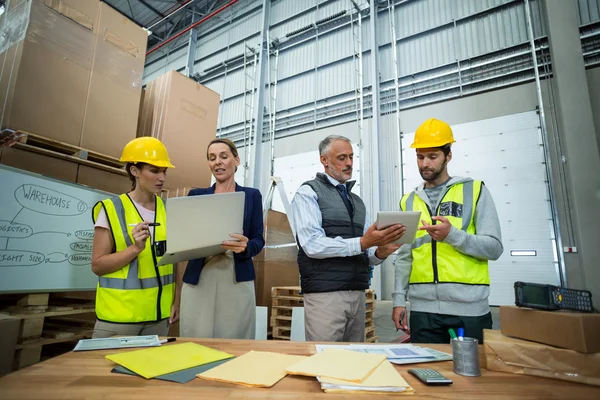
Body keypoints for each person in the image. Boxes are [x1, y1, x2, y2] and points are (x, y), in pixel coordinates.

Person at [391, 118, 504, 344]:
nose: (425, 163)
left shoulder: (474, 190)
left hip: (469, 311)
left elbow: (494, 248)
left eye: (432, 157)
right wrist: (398, 301)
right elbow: (405, 256)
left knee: (471, 376)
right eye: (420, 157)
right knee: (425, 373)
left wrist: (452, 236)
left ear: (448, 156)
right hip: (423, 312)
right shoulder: (408, 201)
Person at [291, 135, 406, 342]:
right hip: (325, 296)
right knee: (326, 361)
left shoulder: (358, 202)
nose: (349, 163)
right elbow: (312, 245)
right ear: (324, 160)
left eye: (351, 157)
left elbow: (368, 254)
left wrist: (381, 251)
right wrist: (363, 242)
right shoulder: (308, 193)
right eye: (342, 158)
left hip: (357, 293)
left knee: (354, 360)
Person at [90, 137, 178, 338]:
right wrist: (134, 249)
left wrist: (176, 301)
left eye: (164, 171)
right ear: (134, 171)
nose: (161, 178)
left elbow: (175, 262)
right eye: (154, 171)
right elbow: (98, 265)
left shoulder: (168, 210)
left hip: (159, 317)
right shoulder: (112, 209)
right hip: (119, 319)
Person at [180, 138, 265, 339]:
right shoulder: (196, 196)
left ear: (236, 160)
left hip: (236, 275)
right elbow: (184, 238)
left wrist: (246, 247)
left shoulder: (251, 196)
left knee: (235, 338)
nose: (217, 162)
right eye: (212, 158)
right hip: (200, 276)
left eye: (223, 156)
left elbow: (258, 239)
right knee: (196, 336)